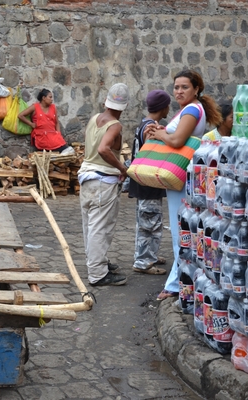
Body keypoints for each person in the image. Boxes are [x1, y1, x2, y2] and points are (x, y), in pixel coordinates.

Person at [145, 70, 222, 300]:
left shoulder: (191, 109)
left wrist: (160, 135)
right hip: (180, 175)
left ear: (196, 89)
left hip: (180, 175)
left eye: (184, 87)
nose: (179, 91)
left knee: (181, 232)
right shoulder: (190, 108)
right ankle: (182, 281)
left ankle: (176, 285)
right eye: (176, 87)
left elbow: (178, 140)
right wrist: (161, 131)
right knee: (183, 229)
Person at [78, 83, 130, 286]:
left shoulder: (94, 119)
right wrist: (122, 168)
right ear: (124, 107)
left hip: (87, 178)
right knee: (100, 228)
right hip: (102, 181)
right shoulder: (115, 125)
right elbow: (103, 149)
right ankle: (98, 274)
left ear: (106, 102)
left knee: (90, 226)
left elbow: (92, 147)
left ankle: (96, 263)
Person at [129, 90, 171, 275]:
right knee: (150, 222)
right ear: (163, 107)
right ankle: (144, 262)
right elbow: (152, 153)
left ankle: (148, 254)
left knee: (147, 220)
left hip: (141, 182)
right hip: (148, 183)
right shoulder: (152, 128)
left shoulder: (143, 124)